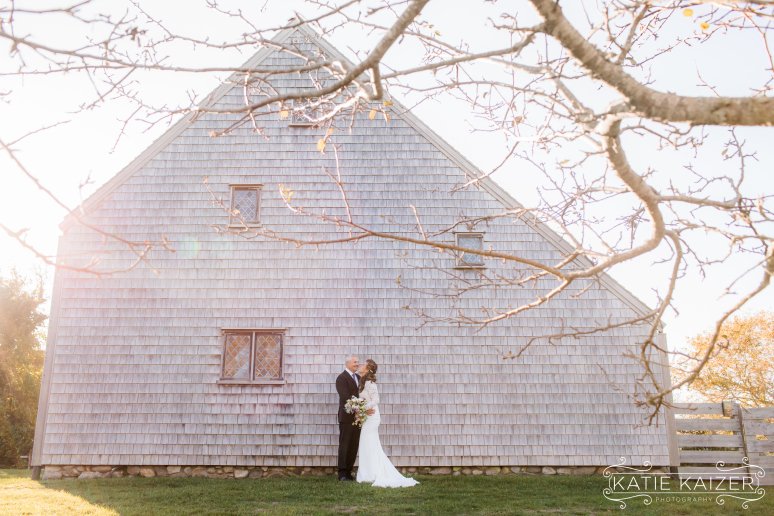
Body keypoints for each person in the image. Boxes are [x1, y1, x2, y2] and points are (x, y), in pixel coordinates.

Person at [355, 359, 419, 488]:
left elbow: (376, 399)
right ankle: (369, 473)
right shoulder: (363, 381)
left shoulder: (369, 382)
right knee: (368, 444)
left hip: (372, 416)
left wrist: (364, 408)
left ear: (367, 369)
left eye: (363, 364)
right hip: (367, 416)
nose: (360, 365)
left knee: (368, 443)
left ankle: (372, 473)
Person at [335, 355, 373, 481]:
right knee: (344, 445)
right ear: (348, 364)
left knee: (354, 445)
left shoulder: (358, 377)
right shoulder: (341, 378)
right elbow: (346, 397)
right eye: (355, 362)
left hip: (358, 418)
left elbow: (363, 395)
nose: (357, 364)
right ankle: (342, 473)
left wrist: (364, 409)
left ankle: (349, 471)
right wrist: (361, 408)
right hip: (346, 417)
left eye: (357, 362)